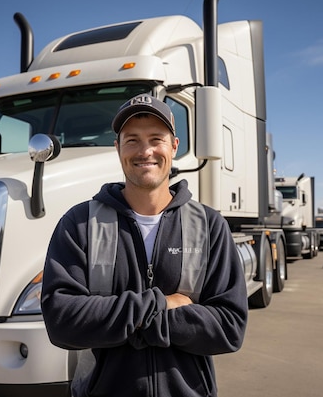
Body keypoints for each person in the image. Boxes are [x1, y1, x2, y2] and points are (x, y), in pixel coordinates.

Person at [41, 94, 248, 397]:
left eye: (156, 139)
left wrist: (120, 320)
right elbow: (62, 322)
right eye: (132, 140)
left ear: (174, 146)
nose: (145, 151)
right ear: (118, 148)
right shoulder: (80, 223)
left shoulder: (209, 225)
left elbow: (229, 328)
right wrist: (161, 304)